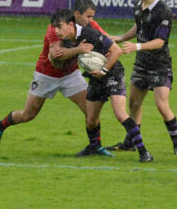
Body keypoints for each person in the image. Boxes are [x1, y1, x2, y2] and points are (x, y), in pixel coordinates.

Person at [0, 0, 109, 153]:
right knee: (28, 115)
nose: (91, 21)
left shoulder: (89, 25)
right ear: (76, 15)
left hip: (71, 74)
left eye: (92, 17)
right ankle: (0, 125)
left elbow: (107, 39)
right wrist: (78, 50)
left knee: (90, 111)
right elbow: (56, 57)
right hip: (46, 74)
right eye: (88, 16)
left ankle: (95, 147)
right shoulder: (56, 28)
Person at [52, 9, 153, 162]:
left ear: (70, 24)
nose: (56, 31)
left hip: (113, 73)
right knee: (91, 119)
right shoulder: (67, 41)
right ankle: (93, 147)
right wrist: (55, 55)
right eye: (55, 27)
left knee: (120, 114)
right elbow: (57, 60)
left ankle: (144, 152)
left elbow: (117, 51)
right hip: (95, 78)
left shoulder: (90, 33)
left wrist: (104, 70)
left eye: (59, 26)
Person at [106, 0, 177, 156]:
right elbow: (138, 26)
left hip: (160, 65)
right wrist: (121, 38)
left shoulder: (163, 10)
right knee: (134, 104)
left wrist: (137, 47)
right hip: (141, 64)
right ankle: (130, 142)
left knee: (161, 105)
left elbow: (160, 42)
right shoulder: (138, 4)